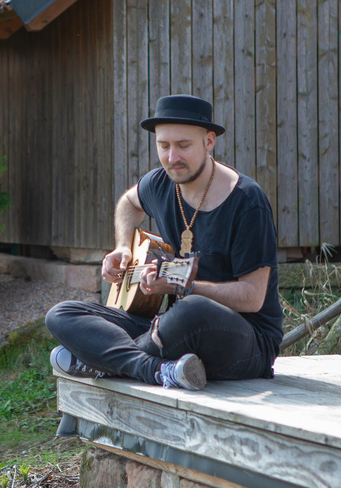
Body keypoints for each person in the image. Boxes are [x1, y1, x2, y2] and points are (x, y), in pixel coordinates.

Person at [46, 94, 283, 390]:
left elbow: (252, 297)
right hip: (169, 329)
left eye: (183, 145)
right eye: (164, 146)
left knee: (192, 310)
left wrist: (182, 286)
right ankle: (154, 369)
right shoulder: (160, 183)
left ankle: (104, 359)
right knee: (63, 314)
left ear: (209, 142)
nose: (172, 158)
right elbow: (128, 204)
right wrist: (122, 246)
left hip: (246, 340)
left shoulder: (247, 201)